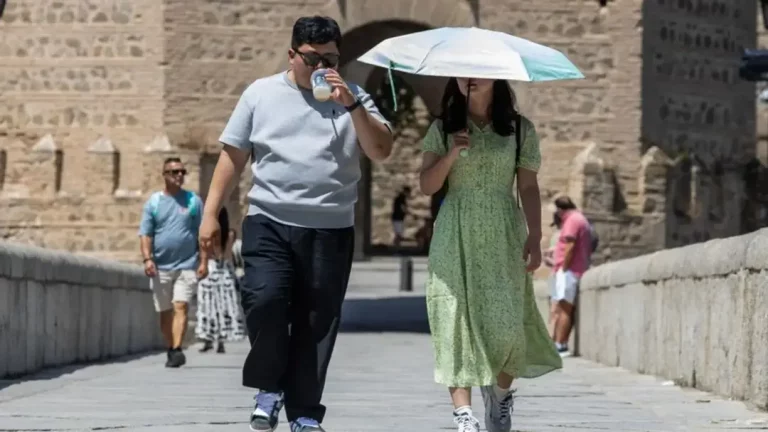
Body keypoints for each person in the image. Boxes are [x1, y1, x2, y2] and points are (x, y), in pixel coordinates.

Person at [197, 16, 393, 432]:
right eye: (313, 58)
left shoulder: (353, 96)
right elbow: (233, 156)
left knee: (317, 322)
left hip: (331, 228)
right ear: (292, 55)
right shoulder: (261, 94)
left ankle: (304, 413)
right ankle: (269, 387)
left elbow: (380, 150)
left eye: (331, 58)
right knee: (264, 300)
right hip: (270, 219)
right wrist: (210, 213)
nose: (322, 66)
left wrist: (351, 105)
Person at [419, 77, 562, 432]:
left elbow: (527, 186)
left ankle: (499, 396)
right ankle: (463, 415)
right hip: (456, 231)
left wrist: (536, 235)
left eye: (479, 70)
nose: (471, 77)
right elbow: (427, 185)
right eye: (462, 71)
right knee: (454, 316)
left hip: (503, 231)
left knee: (508, 326)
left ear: (496, 77)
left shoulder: (518, 129)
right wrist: (452, 152)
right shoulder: (442, 128)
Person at [138, 157, 208, 368]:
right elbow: (145, 234)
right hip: (160, 267)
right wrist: (147, 259)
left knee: (181, 306)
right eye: (174, 172)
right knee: (165, 311)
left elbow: (202, 234)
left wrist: (203, 261)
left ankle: (177, 349)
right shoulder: (155, 202)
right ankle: (170, 346)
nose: (179, 175)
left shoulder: (193, 202)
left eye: (182, 172)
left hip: (187, 264)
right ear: (165, 175)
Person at [195, 207, 246, 353]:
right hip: (226, 271)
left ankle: (207, 340)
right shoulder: (230, 235)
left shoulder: (208, 235)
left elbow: (205, 253)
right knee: (223, 308)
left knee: (208, 307)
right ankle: (221, 341)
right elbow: (228, 255)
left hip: (211, 270)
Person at [550, 196, 592, 356]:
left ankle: (561, 345)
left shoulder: (573, 220)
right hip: (570, 269)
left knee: (564, 309)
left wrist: (564, 269)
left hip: (569, 270)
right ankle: (558, 343)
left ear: (560, 210)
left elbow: (570, 246)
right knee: (562, 308)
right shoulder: (579, 218)